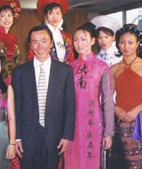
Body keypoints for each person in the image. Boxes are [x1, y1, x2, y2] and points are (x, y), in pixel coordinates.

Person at [12, 25, 75, 169]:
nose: (39, 46)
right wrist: (17, 137)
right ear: (30, 45)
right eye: (35, 42)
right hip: (27, 136)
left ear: (51, 42)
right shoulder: (19, 72)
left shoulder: (65, 71)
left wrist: (66, 136)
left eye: (44, 41)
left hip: (55, 135)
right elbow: (17, 106)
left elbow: (69, 105)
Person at [64, 23, 114, 169]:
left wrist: (108, 132)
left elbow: (108, 101)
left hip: (92, 121)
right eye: (76, 39)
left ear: (93, 40)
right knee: (71, 160)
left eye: (83, 39)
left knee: (90, 160)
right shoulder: (68, 67)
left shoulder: (102, 67)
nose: (79, 44)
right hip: (71, 123)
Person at [108, 24, 142, 169]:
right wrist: (115, 109)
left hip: (140, 119)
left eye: (130, 42)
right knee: (122, 162)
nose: (126, 46)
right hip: (120, 121)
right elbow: (106, 96)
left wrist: (137, 110)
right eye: (122, 42)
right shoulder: (113, 69)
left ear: (138, 44)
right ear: (118, 44)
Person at [28, 0, 74, 64]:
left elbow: (71, 58)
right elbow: (31, 56)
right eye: (51, 13)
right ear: (45, 16)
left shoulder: (67, 36)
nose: (55, 16)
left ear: (62, 15)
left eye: (58, 13)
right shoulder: (39, 34)